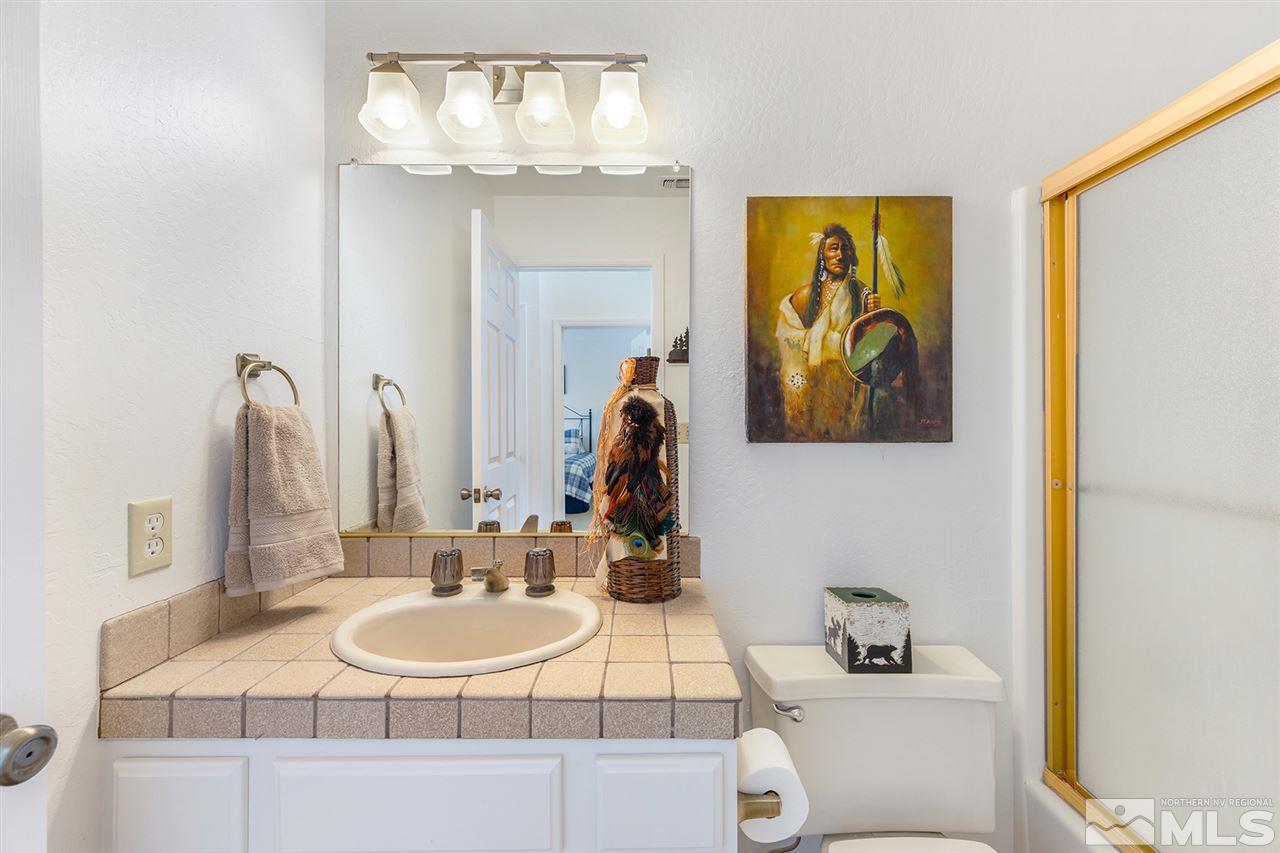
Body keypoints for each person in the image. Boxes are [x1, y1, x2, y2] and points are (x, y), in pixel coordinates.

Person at [774, 223, 880, 439]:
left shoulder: (862, 293)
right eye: (833, 248)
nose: (840, 254)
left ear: (851, 255)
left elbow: (870, 341)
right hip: (812, 381)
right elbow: (787, 334)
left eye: (845, 248)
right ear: (822, 255)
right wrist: (820, 341)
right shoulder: (806, 294)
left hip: (845, 382)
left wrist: (874, 313)